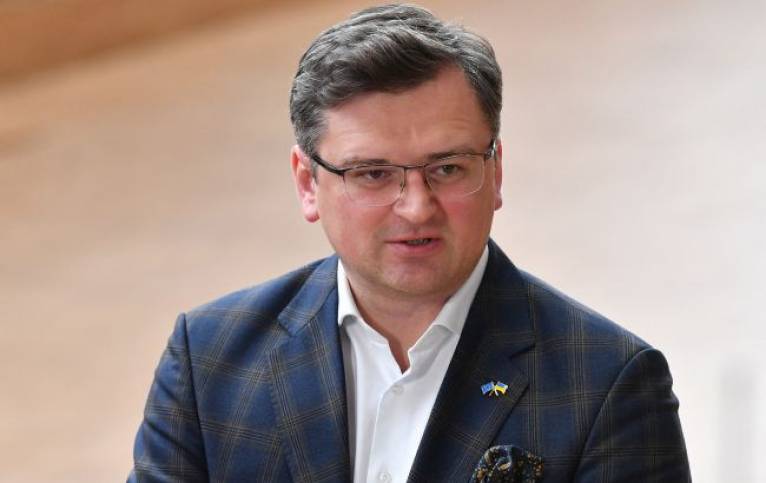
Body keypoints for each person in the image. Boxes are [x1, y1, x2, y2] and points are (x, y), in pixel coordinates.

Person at [129, 4, 690, 482]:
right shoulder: (209, 361)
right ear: (307, 184)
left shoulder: (608, 384)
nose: (417, 207)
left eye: (447, 168)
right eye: (373, 174)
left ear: (496, 171)